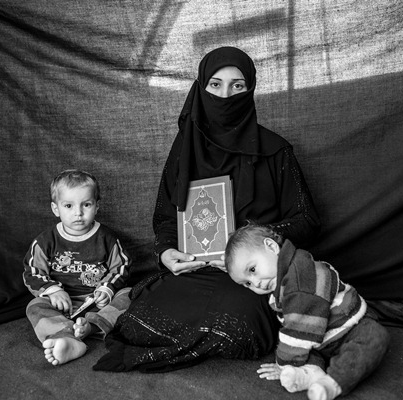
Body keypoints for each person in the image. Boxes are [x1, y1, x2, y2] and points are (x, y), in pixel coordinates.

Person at [93, 46, 321, 372]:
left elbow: (308, 221)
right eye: (215, 85)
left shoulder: (276, 152)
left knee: (242, 331)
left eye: (237, 85)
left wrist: (251, 240)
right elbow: (166, 216)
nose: (225, 95)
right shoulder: (185, 150)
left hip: (252, 278)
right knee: (135, 325)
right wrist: (168, 252)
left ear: (250, 89)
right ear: (201, 88)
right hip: (196, 270)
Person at [224, 223, 390, 400]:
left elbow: (299, 329)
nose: (256, 283)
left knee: (374, 337)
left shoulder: (303, 277)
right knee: (301, 350)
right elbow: (296, 330)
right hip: (318, 339)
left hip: (349, 327)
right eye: (247, 283)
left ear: (272, 247)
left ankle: (334, 381)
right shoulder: (279, 287)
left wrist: (283, 363)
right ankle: (310, 373)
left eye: (252, 269)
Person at [23, 169, 132, 366]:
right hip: (61, 304)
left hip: (97, 303)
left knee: (129, 294)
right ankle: (65, 336)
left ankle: (90, 327)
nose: (78, 213)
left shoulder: (107, 238)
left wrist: (107, 289)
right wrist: (52, 290)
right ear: (56, 209)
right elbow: (32, 273)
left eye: (86, 205)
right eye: (68, 206)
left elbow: (121, 267)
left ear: (97, 206)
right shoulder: (45, 241)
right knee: (34, 306)